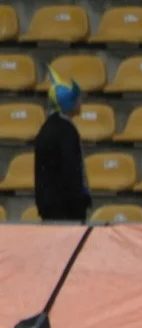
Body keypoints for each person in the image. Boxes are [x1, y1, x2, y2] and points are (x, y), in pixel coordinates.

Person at [32, 69, 88, 223]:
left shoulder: (50, 127)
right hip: (64, 211)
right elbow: (71, 171)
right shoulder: (65, 132)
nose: (80, 102)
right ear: (68, 104)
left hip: (52, 207)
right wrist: (79, 204)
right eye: (78, 99)